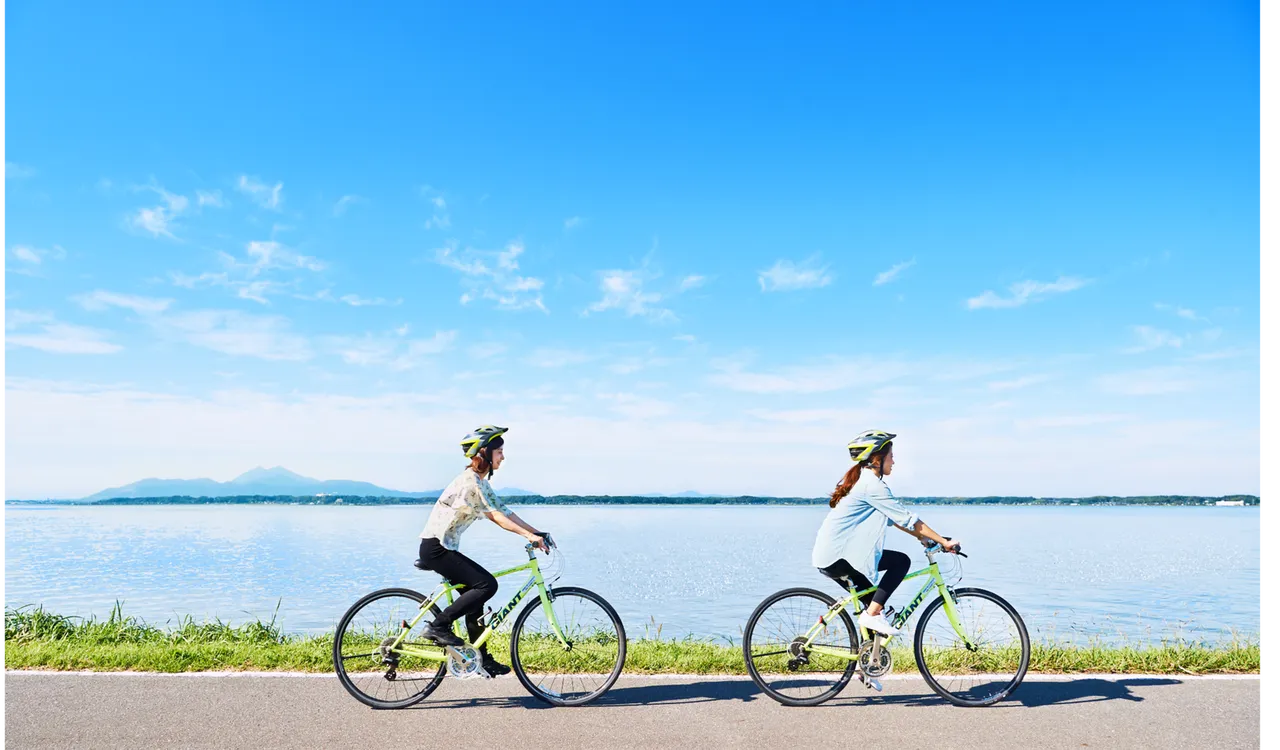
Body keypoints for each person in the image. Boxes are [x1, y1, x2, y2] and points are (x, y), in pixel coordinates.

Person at [417, 425, 550, 677]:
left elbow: (505, 511)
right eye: (499, 452)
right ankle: (438, 626)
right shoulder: (470, 483)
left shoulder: (480, 481)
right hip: (436, 549)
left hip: (442, 547)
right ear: (485, 453)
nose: (503, 457)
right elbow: (496, 517)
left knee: (475, 597)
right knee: (487, 585)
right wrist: (529, 537)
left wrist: (537, 533)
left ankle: (481, 658)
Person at [811, 430, 960, 636]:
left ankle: (870, 653)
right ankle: (872, 615)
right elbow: (907, 519)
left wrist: (923, 538)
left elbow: (895, 519)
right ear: (877, 459)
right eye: (891, 456)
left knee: (878, 606)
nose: (894, 461)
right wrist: (943, 541)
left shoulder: (863, 482)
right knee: (900, 562)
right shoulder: (872, 486)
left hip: (831, 557)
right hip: (839, 559)